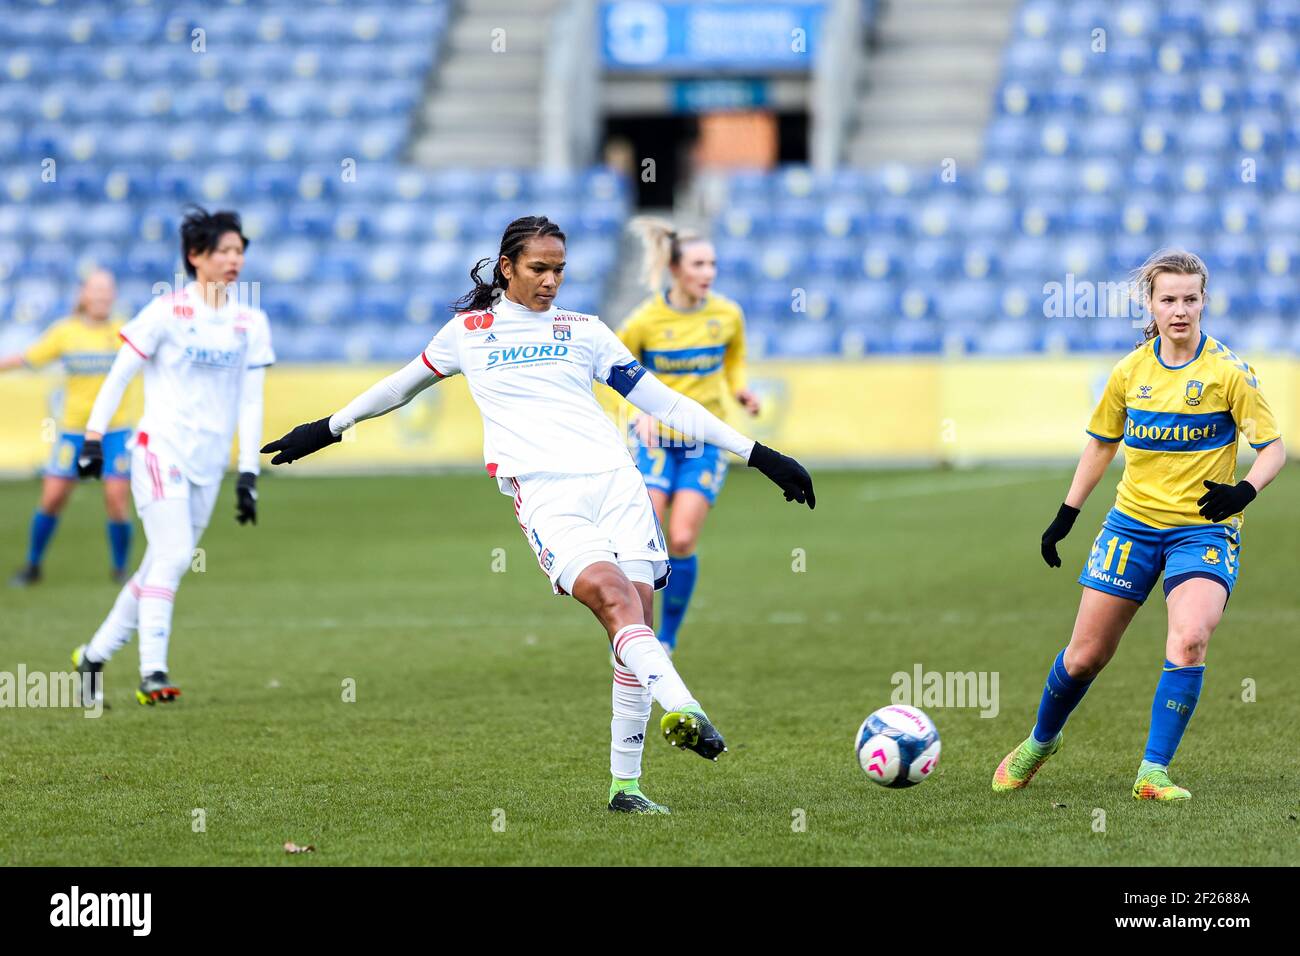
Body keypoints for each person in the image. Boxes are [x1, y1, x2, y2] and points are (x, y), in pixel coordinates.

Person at [261, 215, 814, 814]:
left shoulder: (585, 330)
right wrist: (329, 428)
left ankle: (625, 789)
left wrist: (760, 455)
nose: (551, 282)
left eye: (559, 271)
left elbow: (662, 400)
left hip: (617, 482)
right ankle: (685, 707)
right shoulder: (468, 332)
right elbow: (399, 387)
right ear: (507, 268)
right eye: (539, 269)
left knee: (634, 630)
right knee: (614, 601)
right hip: (549, 495)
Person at [992, 250, 1286, 801]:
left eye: (1190, 299)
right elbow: (1102, 442)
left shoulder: (1229, 373)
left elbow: (1273, 449)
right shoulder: (1130, 372)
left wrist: (1245, 489)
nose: (1180, 310)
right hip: (1132, 527)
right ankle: (1041, 740)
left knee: (1191, 638)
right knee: (1085, 656)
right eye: (1168, 299)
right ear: (1150, 305)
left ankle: (1152, 772)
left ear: (1204, 302)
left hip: (1203, 531)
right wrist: (1066, 514)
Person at [72, 207, 273, 706]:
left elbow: (251, 401)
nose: (234, 259)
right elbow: (118, 375)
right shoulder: (166, 311)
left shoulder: (251, 321)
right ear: (195, 256)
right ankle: (152, 672)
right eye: (224, 250)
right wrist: (93, 438)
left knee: (162, 565)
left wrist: (248, 472)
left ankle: (93, 657)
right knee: (175, 555)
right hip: (159, 449)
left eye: (239, 250)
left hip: (208, 463)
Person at [616, 217, 761, 654]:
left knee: (680, 539)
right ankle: (632, 632)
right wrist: (632, 413)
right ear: (675, 269)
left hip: (704, 440)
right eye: (699, 264)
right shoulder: (643, 322)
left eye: (712, 264)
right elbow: (613, 374)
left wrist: (739, 389)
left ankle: (668, 638)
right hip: (656, 438)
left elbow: (734, 357)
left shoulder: (728, 314)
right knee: (644, 535)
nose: (708, 273)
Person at [1, 270, 135, 585]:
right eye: (96, 290)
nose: (102, 296)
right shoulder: (65, 332)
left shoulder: (125, 332)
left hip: (115, 432)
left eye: (107, 290)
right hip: (74, 431)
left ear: (113, 295)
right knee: (52, 498)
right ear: (84, 295)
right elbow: (26, 359)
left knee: (116, 498)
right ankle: (32, 566)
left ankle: (121, 571)